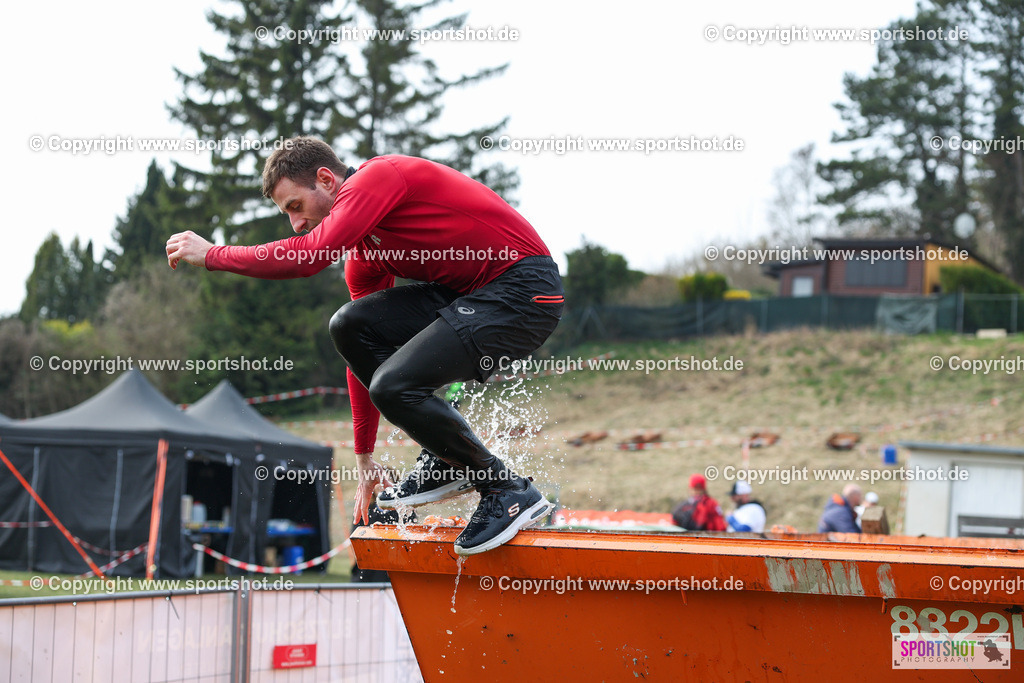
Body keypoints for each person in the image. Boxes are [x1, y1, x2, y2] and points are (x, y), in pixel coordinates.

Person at [166, 137, 564, 555]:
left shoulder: (379, 177)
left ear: (326, 180)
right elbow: (360, 351)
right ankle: (446, 458)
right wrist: (364, 455)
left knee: (393, 385)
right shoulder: (365, 256)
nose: (296, 224)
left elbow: (309, 257)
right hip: (473, 297)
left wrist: (214, 254)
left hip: (525, 292)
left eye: (296, 206)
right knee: (349, 324)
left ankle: (506, 490)